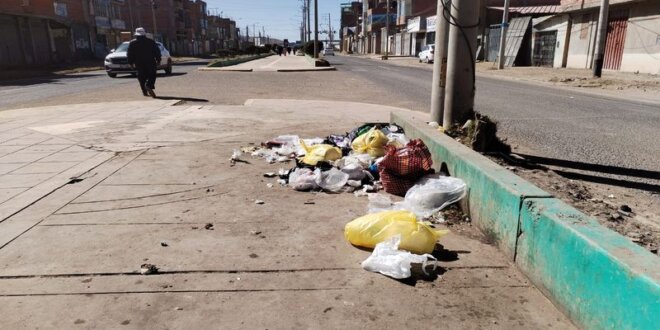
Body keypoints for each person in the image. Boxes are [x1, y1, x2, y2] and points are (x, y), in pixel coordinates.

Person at [127, 27, 161, 97]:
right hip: (150, 62)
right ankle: (149, 85)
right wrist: (158, 60)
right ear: (144, 34)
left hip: (139, 63)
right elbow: (157, 51)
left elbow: (130, 54)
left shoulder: (132, 43)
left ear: (136, 35)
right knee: (152, 74)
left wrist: (130, 63)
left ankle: (144, 91)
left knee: (141, 77)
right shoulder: (151, 42)